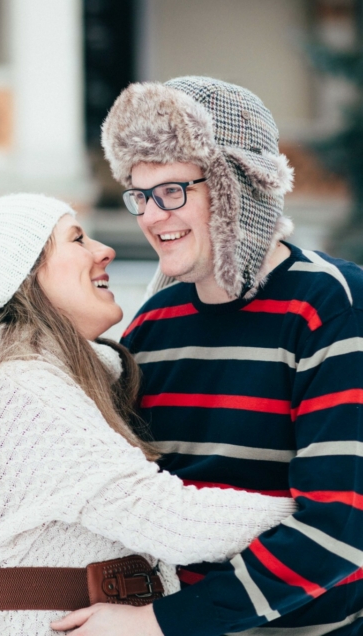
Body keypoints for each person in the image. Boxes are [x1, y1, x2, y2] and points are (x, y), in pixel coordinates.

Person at [0, 192, 294, 636]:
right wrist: (330, 519)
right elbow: (165, 516)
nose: (104, 250)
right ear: (22, 277)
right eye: (77, 239)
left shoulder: (47, 377)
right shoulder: (25, 388)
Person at [55, 77, 363, 635]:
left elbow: (341, 528)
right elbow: (95, 476)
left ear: (238, 185)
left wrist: (161, 623)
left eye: (172, 190)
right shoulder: (152, 324)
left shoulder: (331, 307)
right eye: (140, 195)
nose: (150, 216)